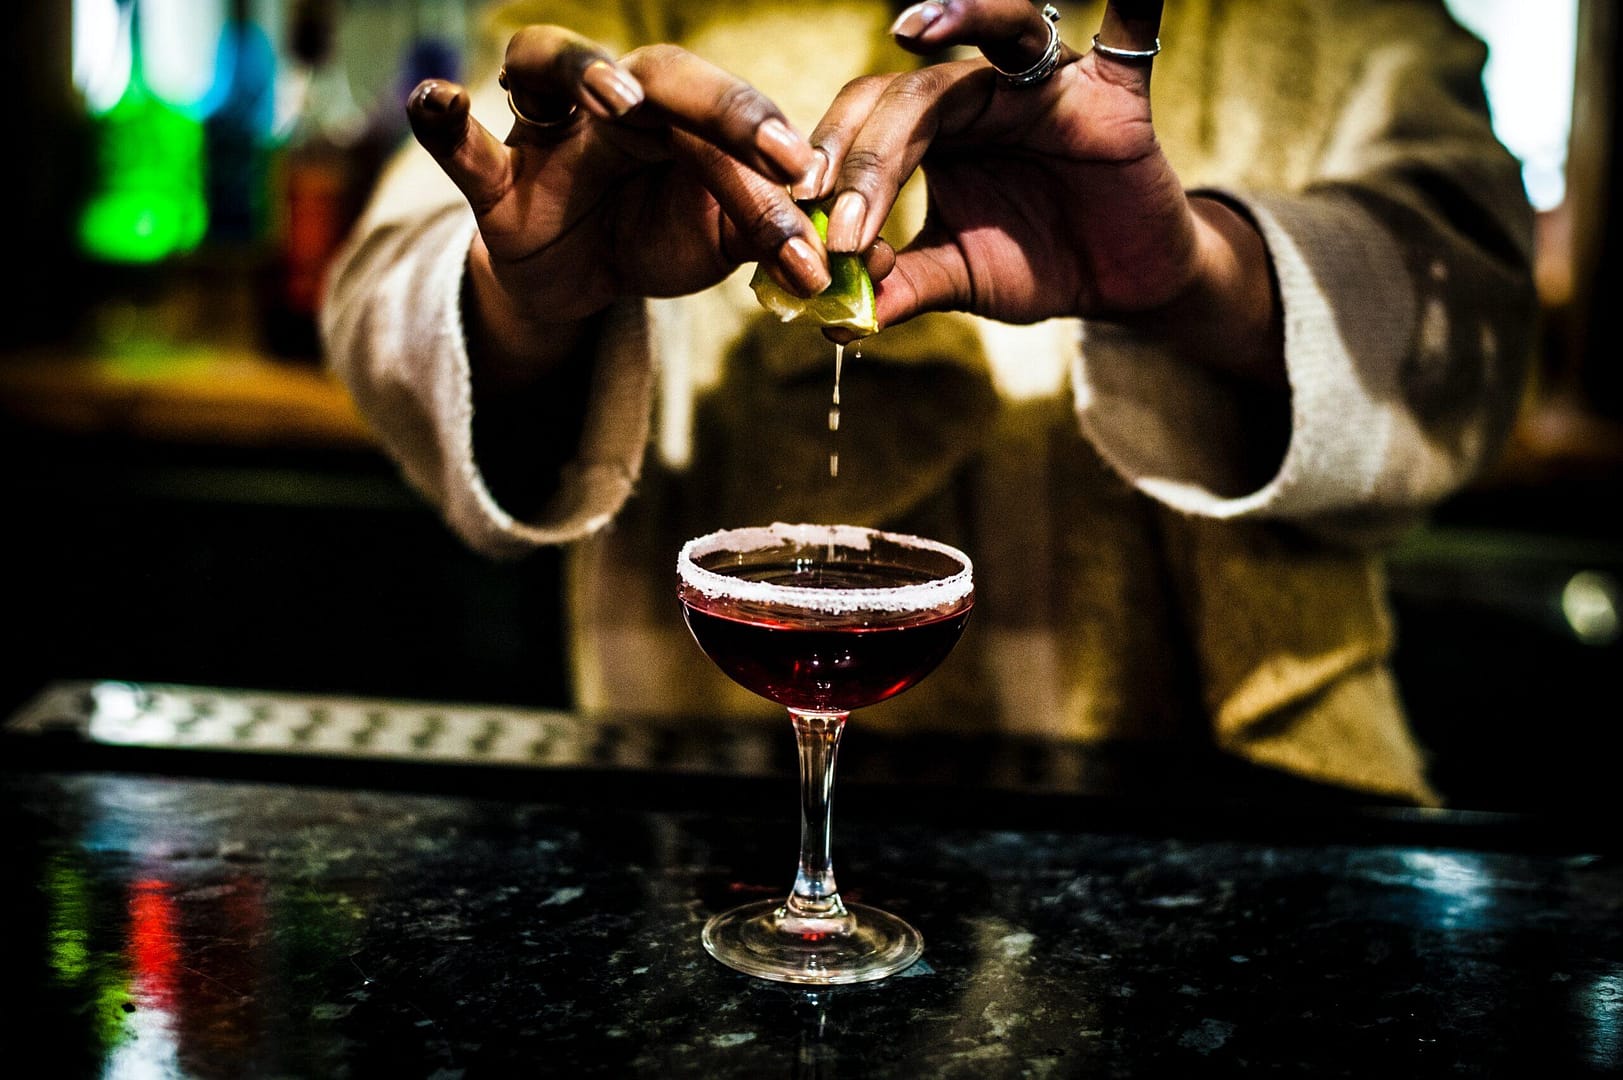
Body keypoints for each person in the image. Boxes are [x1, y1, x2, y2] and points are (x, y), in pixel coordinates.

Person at [322, 0, 1537, 807]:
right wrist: (529, 301)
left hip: (1227, 807)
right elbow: (392, 290)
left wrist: (1195, 274)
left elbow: (1470, 325)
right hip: (707, 787)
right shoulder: (634, 8)